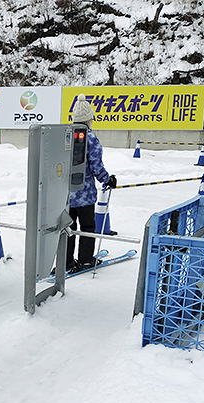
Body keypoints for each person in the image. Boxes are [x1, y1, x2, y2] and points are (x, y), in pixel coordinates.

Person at [67, 93, 117, 273]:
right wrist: (108, 179)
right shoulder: (91, 138)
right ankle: (86, 260)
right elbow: (96, 167)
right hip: (85, 195)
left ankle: (66, 261)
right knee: (87, 227)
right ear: (88, 119)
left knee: (68, 228)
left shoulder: (65, 136)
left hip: (64, 195)